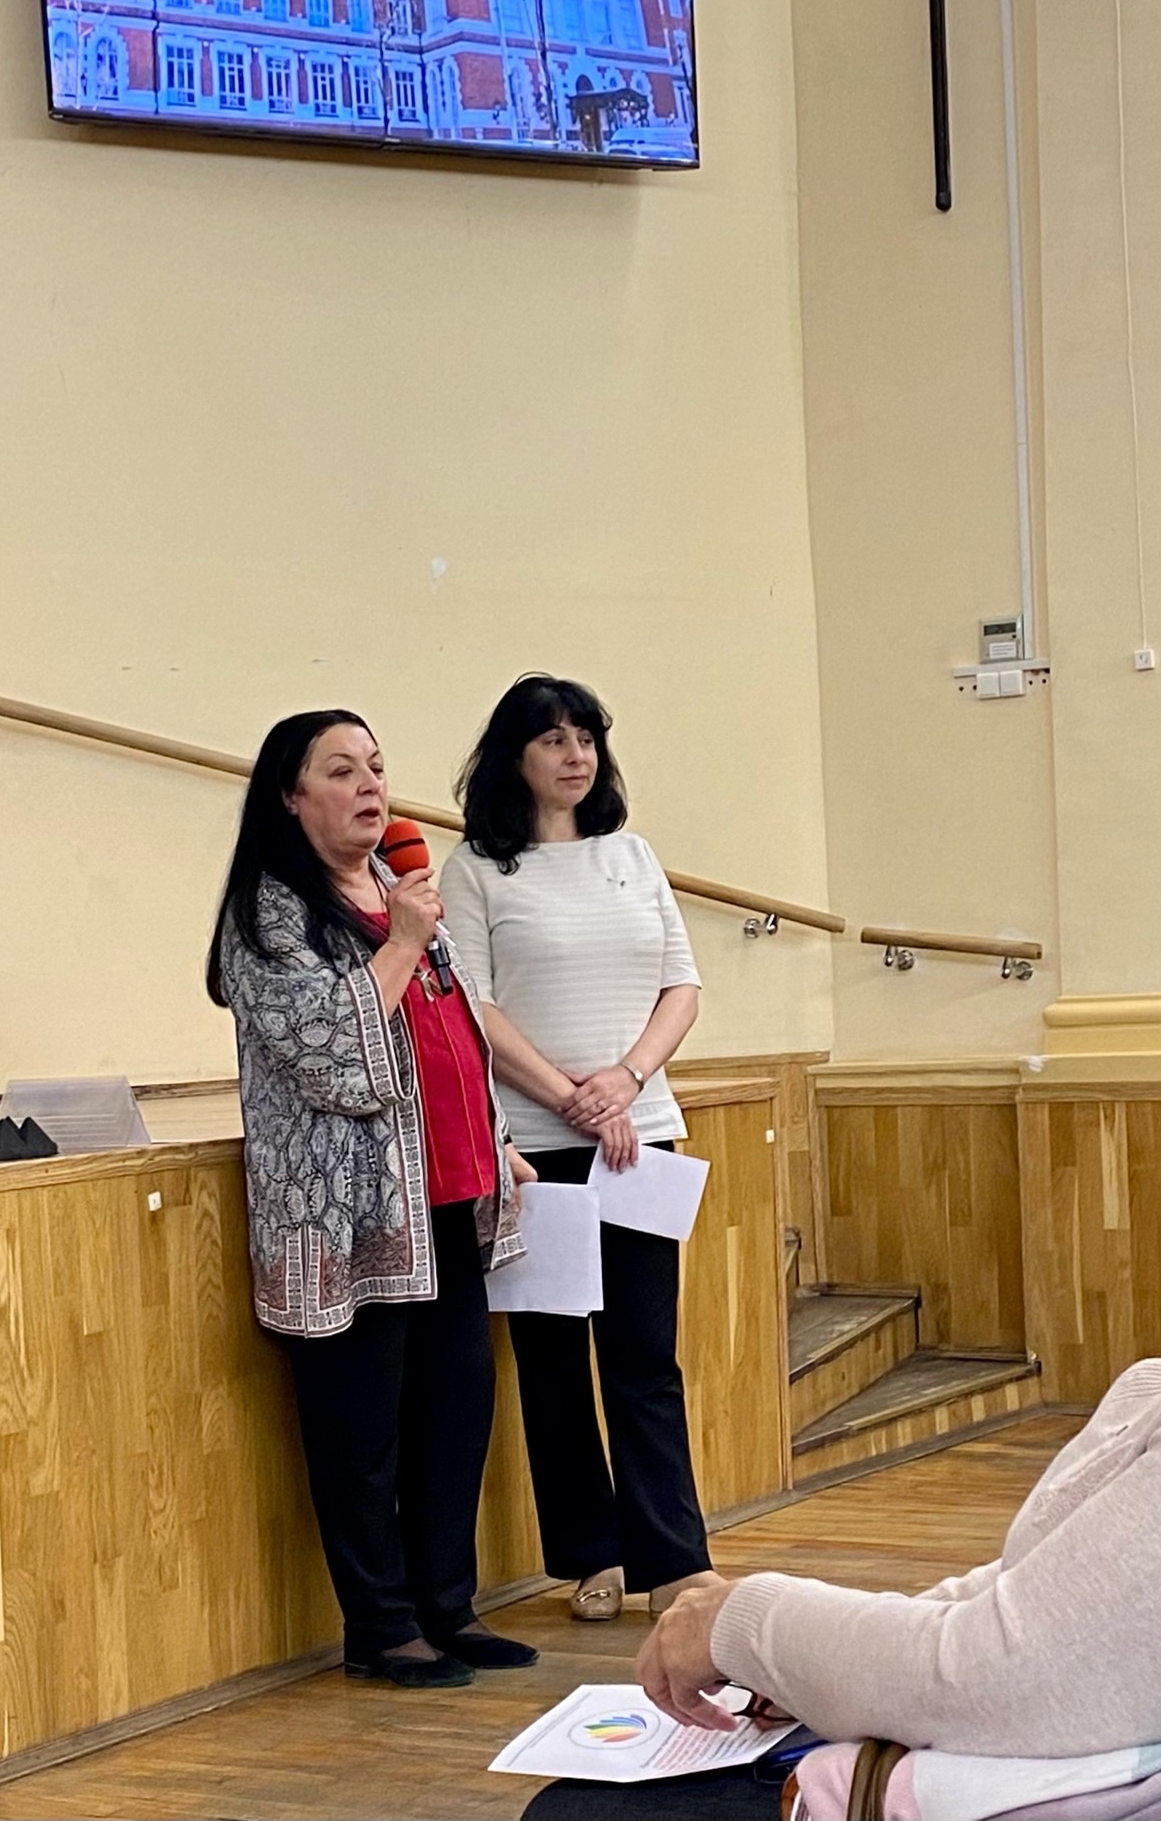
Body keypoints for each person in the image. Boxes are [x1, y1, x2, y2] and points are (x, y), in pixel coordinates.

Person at [526, 911, 1161, 1818]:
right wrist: (809, 1655)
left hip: (1031, 1753)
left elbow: (996, 1677)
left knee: (580, 1813)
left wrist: (739, 1621)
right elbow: (1040, 1608)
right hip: (1037, 1710)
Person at [206, 709, 540, 1689]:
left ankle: (448, 1605)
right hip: (346, 1217)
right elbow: (330, 1058)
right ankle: (381, 1625)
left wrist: (496, 1136)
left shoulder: (401, 889)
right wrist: (399, 942)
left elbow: (453, 1034)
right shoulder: (268, 916)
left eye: (377, 767)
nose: (370, 786)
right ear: (290, 795)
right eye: (342, 769)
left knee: (454, 1412)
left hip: (448, 1197)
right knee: (363, 1432)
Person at [444, 675, 720, 1622]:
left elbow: (682, 987)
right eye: (553, 739)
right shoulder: (477, 870)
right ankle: (590, 1553)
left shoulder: (631, 855)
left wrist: (626, 1081)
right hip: (535, 1145)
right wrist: (573, 1098)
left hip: (639, 1138)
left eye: (587, 738)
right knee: (554, 1359)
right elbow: (475, 1010)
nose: (575, 756)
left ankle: (675, 1558)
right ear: (513, 757)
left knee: (645, 1354)